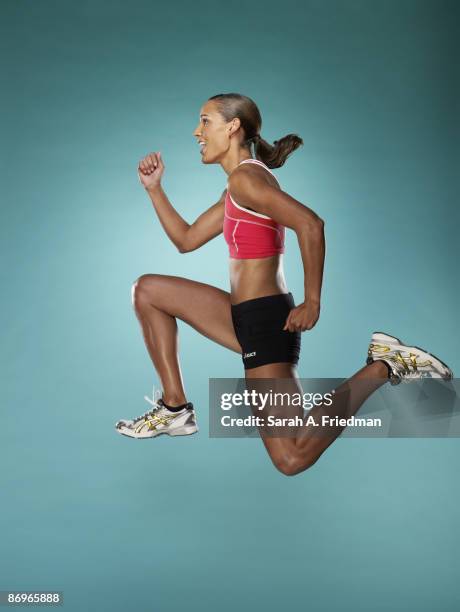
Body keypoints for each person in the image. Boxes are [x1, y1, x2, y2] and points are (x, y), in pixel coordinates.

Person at [115, 93, 453, 476]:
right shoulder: (237, 188)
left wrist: (312, 302)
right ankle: (174, 409)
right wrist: (154, 189)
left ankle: (383, 365)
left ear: (232, 127)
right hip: (243, 314)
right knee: (147, 291)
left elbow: (311, 224)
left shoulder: (246, 180)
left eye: (205, 121)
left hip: (266, 322)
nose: (197, 131)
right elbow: (187, 239)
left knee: (291, 457)